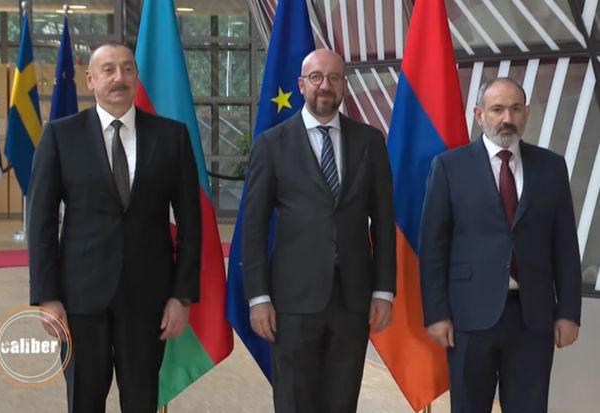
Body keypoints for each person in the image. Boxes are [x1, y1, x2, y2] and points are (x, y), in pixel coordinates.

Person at [26, 42, 201, 413]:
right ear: (90, 80)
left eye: (126, 69)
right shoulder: (60, 136)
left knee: (141, 401)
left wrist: (181, 296)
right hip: (79, 300)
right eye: (108, 70)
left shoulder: (172, 136)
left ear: (136, 76)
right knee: (84, 401)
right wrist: (46, 296)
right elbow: (40, 223)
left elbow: (190, 224)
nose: (118, 78)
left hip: (149, 299)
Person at [242, 48, 396, 413]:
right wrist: (258, 298)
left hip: (353, 300)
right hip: (292, 301)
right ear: (301, 84)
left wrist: (384, 290)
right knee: (294, 401)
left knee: (342, 402)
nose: (325, 85)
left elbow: (384, 220)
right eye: (316, 77)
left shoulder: (370, 141)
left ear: (344, 85)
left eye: (334, 77)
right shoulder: (272, 144)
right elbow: (253, 227)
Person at [419, 77, 582, 413]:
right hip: (468, 318)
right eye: (497, 110)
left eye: (515, 109)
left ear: (527, 113)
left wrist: (568, 312)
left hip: (532, 317)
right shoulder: (449, 166)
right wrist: (437, 314)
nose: (507, 118)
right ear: (479, 115)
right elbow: (434, 247)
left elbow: (565, 245)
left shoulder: (551, 167)